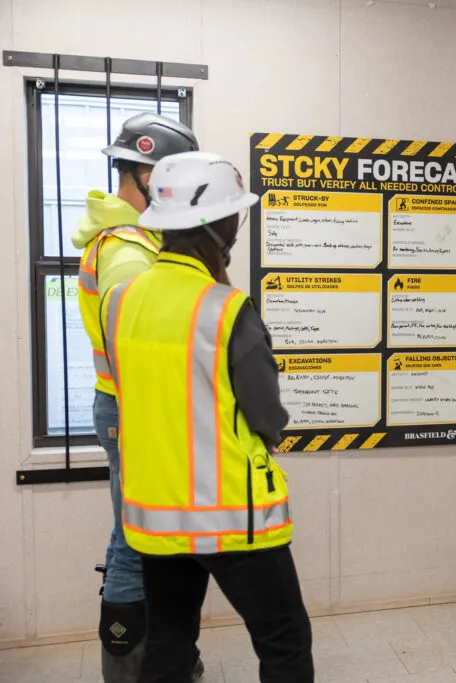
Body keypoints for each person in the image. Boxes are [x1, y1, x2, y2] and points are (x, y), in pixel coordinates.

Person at [100, 151, 314, 683]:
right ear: (217, 225)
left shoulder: (118, 301)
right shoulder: (227, 308)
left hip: (156, 516)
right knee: (284, 641)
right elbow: (268, 417)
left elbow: (130, 392)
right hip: (232, 517)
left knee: (169, 645)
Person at [72, 113, 203, 682]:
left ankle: (163, 656)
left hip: (126, 406)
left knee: (141, 533)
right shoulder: (127, 249)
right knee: (134, 538)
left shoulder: (135, 240)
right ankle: (127, 671)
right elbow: (142, 343)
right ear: (147, 177)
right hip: (134, 409)